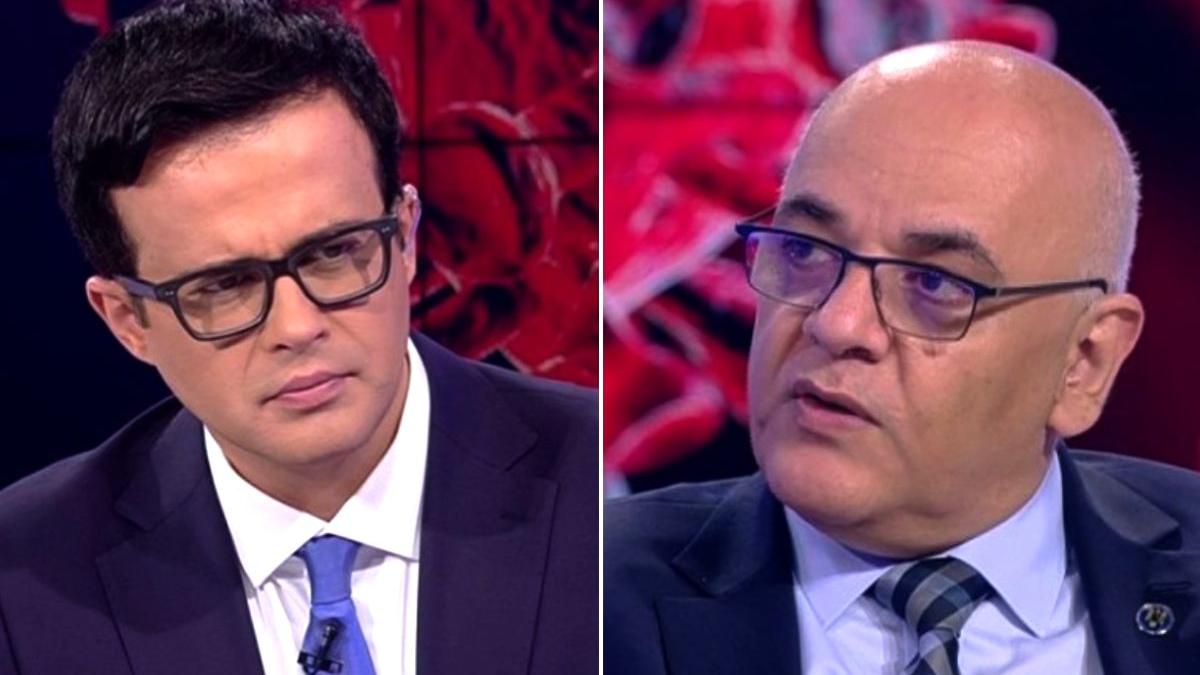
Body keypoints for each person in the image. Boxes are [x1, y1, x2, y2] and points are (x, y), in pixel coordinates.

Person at [0, 2, 597, 673]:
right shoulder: (24, 585)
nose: (297, 326)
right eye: (224, 285)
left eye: (334, 252)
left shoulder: (597, 488)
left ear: (404, 238)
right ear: (128, 320)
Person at [606, 40, 1200, 674]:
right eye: (805, 251)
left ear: (1084, 361)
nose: (836, 324)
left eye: (935, 284)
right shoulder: (587, 591)